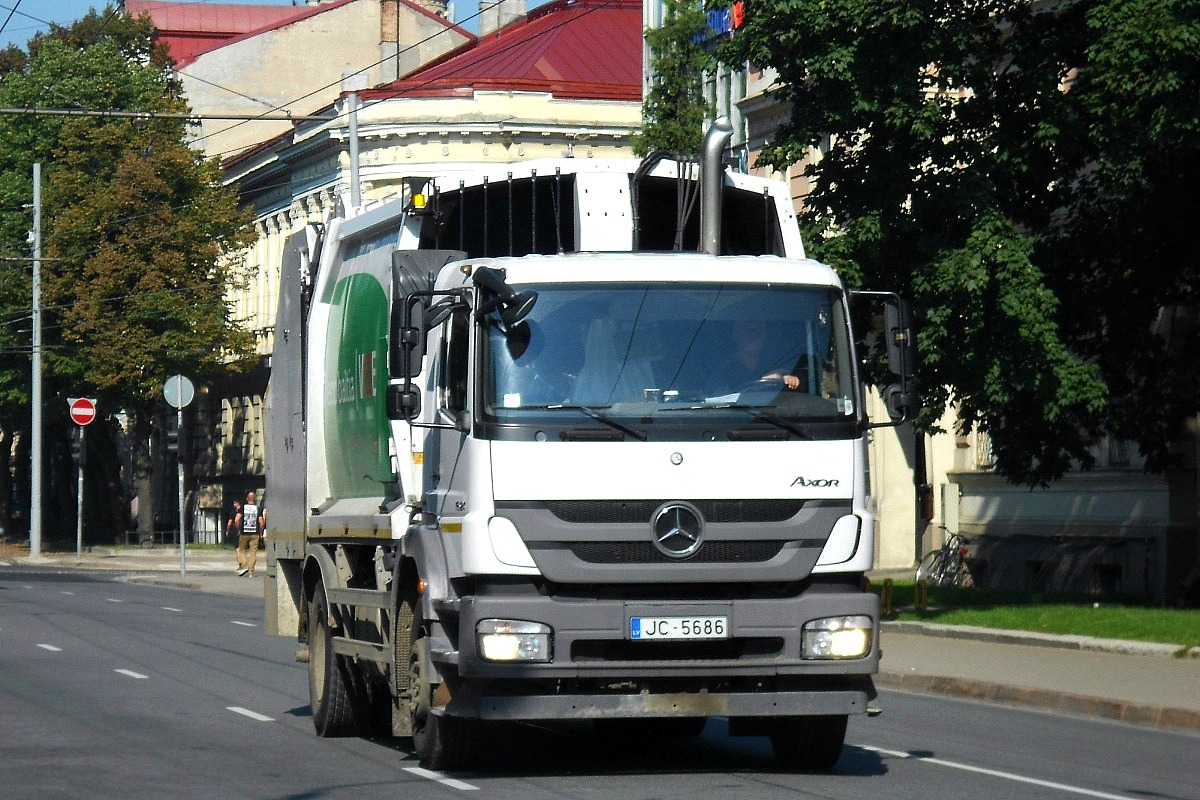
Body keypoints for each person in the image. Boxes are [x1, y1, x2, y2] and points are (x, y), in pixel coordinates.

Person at [729, 320, 800, 391]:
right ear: (736, 334)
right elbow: (722, 393)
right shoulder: (724, 368)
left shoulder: (777, 364)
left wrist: (787, 380)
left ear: (764, 334)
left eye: (758, 329)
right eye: (746, 328)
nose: (752, 333)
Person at [236, 491, 265, 577]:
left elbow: (237, 520)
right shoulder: (258, 508)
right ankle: (251, 572)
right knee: (253, 552)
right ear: (255, 499)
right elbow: (262, 522)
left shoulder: (243, 508)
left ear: (247, 499)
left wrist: (239, 529)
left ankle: (244, 565)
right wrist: (261, 532)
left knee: (242, 550)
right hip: (255, 534)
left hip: (244, 533)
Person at [226, 499, 243, 572]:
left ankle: (240, 564)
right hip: (245, 531)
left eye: (234, 503)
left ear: (237, 503)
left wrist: (227, 530)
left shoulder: (233, 512)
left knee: (237, 548)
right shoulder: (244, 511)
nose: (233, 505)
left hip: (236, 531)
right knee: (243, 548)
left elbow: (230, 523)